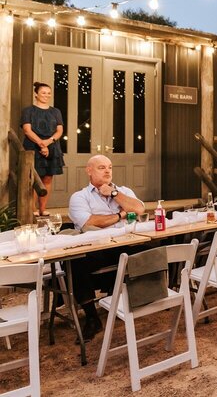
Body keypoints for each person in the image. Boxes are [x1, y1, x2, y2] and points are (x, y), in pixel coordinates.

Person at [68, 155, 146, 340]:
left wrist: (113, 194)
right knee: (75, 260)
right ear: (89, 171)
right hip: (96, 248)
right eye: (101, 167)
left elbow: (139, 209)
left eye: (109, 167)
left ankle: (149, 299)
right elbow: (89, 222)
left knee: (157, 247)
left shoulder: (123, 191)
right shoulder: (79, 197)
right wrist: (121, 215)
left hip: (125, 243)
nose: (108, 171)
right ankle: (92, 318)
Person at [20, 82, 65, 216]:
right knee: (34, 179)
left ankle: (42, 209)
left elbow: (59, 130)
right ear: (36, 94)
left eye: (49, 93)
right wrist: (41, 144)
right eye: (43, 92)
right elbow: (27, 130)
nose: (47, 95)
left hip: (52, 146)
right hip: (33, 146)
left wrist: (48, 142)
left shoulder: (55, 111)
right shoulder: (28, 111)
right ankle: (32, 210)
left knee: (47, 178)